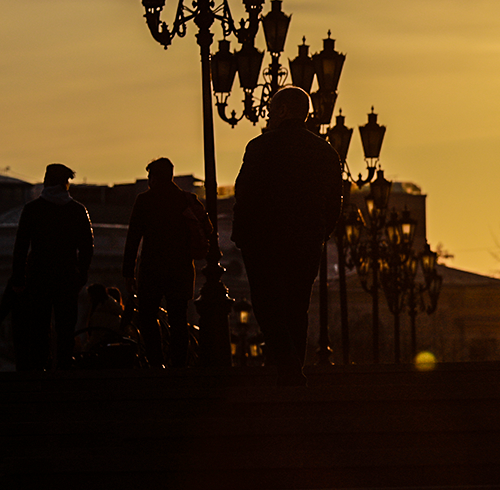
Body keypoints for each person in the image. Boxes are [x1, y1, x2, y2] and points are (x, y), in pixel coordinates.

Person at [232, 86, 343, 387]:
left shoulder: (260, 147)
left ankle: (286, 363)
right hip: (306, 239)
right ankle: (292, 365)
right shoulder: (325, 152)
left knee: (267, 302)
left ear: (282, 111)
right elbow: (335, 201)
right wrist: (321, 231)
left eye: (270, 110)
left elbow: (245, 193)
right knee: (297, 303)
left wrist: (242, 234)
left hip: (264, 239)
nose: (267, 116)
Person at [123, 158, 210, 368]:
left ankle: (156, 362)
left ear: (153, 178)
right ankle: (178, 364)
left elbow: (133, 238)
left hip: (151, 269)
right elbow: (208, 229)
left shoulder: (145, 200)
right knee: (178, 317)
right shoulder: (186, 199)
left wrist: (128, 272)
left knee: (147, 316)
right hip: (180, 268)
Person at [11, 163, 94, 371]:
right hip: (67, 275)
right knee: (66, 327)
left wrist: (19, 278)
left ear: (46, 182)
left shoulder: (32, 210)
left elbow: (20, 247)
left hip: (39, 275)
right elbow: (87, 247)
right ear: (66, 183)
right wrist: (82, 274)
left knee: (39, 327)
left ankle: (41, 368)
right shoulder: (78, 210)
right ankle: (64, 367)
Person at [84, 283, 124, 351]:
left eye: (90, 296)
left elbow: (95, 338)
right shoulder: (112, 313)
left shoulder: (99, 316)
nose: (88, 299)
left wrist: (84, 349)